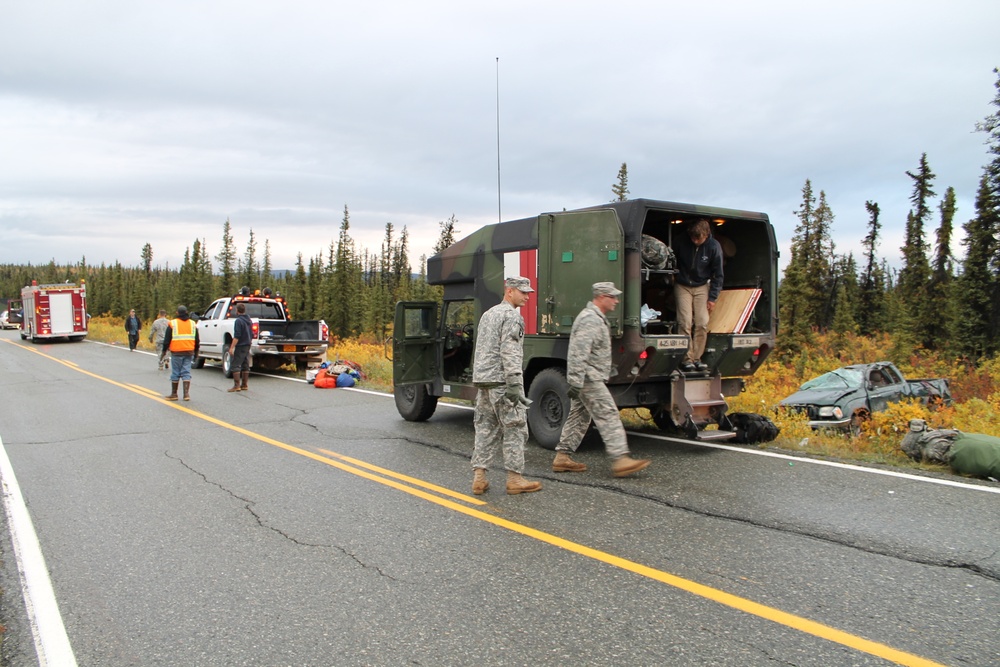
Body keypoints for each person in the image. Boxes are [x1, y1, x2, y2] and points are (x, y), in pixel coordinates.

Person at [552, 282, 651, 478]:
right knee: (607, 412)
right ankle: (620, 458)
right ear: (601, 297)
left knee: (579, 416)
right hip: (589, 378)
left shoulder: (597, 318)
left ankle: (562, 457)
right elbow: (578, 352)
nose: (616, 301)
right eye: (612, 297)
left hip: (589, 377)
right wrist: (576, 380)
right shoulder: (590, 319)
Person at [470, 276, 542, 496]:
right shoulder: (512, 317)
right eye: (523, 292)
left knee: (485, 426)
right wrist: (514, 384)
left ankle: (479, 478)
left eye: (528, 292)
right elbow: (509, 352)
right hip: (502, 381)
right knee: (515, 427)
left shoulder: (488, 314)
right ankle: (514, 479)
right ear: (509, 291)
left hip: (483, 380)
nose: (527, 296)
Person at [673, 219, 724, 373]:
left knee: (702, 322)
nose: (695, 241)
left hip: (702, 285)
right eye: (693, 238)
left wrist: (712, 298)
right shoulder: (681, 241)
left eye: (698, 239)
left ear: (706, 235)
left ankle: (697, 358)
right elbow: (671, 259)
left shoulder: (714, 247)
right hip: (682, 284)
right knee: (685, 321)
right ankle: (686, 359)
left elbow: (719, 275)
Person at [162, 305, 200, 401]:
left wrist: (164, 351)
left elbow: (167, 339)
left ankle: (174, 394)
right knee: (186, 372)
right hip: (189, 351)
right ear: (186, 312)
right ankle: (186, 394)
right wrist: (196, 352)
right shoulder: (192, 324)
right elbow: (197, 340)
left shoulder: (172, 323)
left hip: (177, 352)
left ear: (177, 313)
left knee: (176, 372)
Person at [227, 302, 253, 392]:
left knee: (236, 364)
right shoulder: (249, 320)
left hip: (241, 344)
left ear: (237, 310)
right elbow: (251, 333)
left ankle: (236, 385)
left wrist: (232, 347)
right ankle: (244, 384)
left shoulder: (238, 321)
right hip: (248, 344)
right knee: (245, 363)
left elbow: (237, 335)